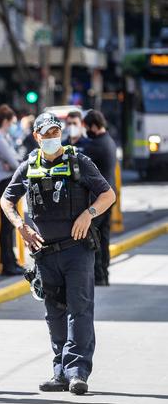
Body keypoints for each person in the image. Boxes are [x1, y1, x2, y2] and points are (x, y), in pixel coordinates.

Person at [0, 112, 116, 395]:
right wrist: (20, 226)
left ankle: (77, 373)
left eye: (56, 132)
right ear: (36, 136)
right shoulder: (29, 165)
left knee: (79, 310)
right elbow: (7, 199)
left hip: (76, 250)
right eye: (46, 134)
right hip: (44, 253)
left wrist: (88, 215)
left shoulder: (79, 161)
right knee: (54, 314)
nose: (52, 138)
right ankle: (60, 372)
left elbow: (107, 195)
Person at [81, 110, 117, 286]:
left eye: (87, 127)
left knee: (92, 237)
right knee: (103, 237)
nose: (86, 131)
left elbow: (79, 161)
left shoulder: (95, 145)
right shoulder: (109, 140)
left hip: (99, 199)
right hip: (109, 196)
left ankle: (98, 275)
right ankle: (104, 274)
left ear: (94, 126)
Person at [0, 105, 24, 276]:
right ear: (5, 121)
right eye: (12, 122)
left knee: (9, 225)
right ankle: (8, 263)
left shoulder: (4, 138)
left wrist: (11, 162)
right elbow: (16, 163)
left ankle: (11, 261)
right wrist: (11, 163)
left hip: (6, 181)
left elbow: (14, 160)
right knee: (7, 224)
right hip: (2, 183)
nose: (13, 126)